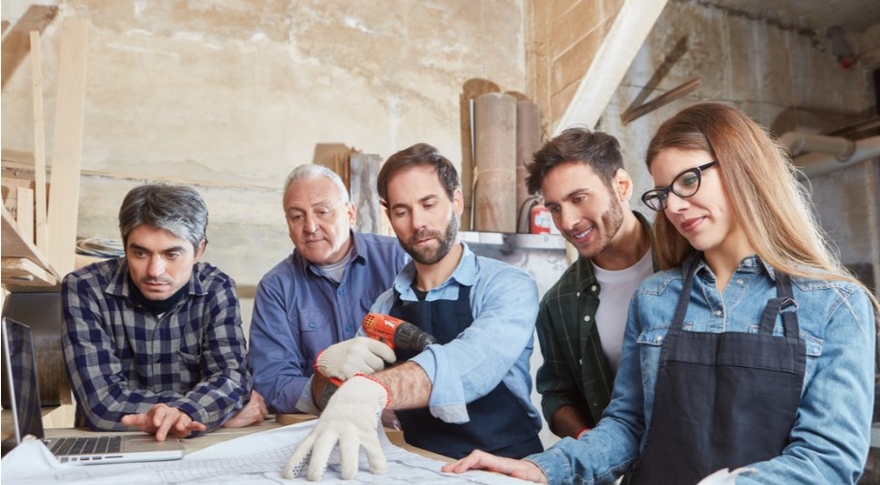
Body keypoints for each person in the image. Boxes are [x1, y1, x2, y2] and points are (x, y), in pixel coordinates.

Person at [443, 102, 878, 484]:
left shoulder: (835, 303)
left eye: (688, 182)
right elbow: (628, 425)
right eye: (665, 194)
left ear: (743, 166)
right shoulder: (655, 297)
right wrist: (542, 468)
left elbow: (828, 460)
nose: (672, 206)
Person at [283, 143, 543, 481]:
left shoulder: (507, 285)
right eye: (402, 211)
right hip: (421, 466)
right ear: (388, 215)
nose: (418, 223)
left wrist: (374, 389)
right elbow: (335, 399)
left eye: (429, 204)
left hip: (507, 468)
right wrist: (326, 373)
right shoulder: (385, 307)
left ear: (456, 201)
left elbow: (472, 362)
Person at [62, 184, 268, 442]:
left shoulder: (217, 287)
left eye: (172, 254)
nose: (154, 271)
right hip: (116, 446)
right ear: (125, 246)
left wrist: (185, 413)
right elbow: (100, 404)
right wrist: (202, 413)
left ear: (199, 250)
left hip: (196, 446)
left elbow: (231, 378)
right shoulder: (84, 288)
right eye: (140, 253)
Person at [525, 128, 655, 440]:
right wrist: (590, 441)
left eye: (579, 198)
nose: (567, 222)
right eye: (555, 208)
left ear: (621, 185)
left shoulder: (687, 259)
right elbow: (557, 395)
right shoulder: (559, 302)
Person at [248, 164, 407, 413]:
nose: (310, 227)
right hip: (322, 422)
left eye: (322, 212)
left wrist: (386, 395)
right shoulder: (275, 287)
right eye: (297, 216)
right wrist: (338, 395)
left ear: (350, 213)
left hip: (403, 415)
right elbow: (272, 383)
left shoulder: (400, 260)